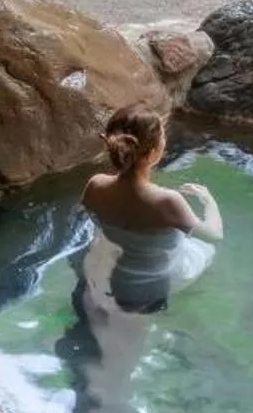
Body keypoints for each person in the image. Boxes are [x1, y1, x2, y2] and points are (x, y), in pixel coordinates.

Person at [80, 105, 223, 312]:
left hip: (114, 275)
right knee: (207, 250)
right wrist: (210, 201)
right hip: (157, 283)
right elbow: (214, 235)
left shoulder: (96, 185)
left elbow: (88, 217)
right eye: (163, 137)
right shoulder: (167, 201)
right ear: (153, 153)